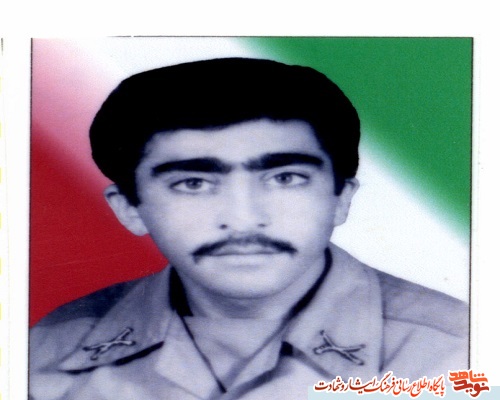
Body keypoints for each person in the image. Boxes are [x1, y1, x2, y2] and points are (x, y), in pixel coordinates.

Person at [29, 57, 469, 400]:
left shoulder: (461, 351)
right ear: (130, 208)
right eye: (193, 183)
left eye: (285, 178)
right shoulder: (45, 352)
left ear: (341, 198)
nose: (243, 218)